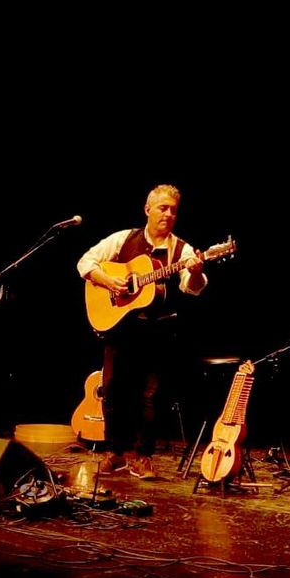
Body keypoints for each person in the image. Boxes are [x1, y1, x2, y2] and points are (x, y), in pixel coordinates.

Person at [77, 184, 207, 480]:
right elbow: (85, 263)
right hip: (120, 328)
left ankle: (142, 455)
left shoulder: (181, 249)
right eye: (163, 208)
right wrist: (110, 282)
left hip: (157, 332)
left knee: (150, 394)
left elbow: (193, 287)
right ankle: (115, 452)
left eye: (174, 210)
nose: (169, 214)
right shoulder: (123, 239)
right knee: (112, 390)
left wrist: (197, 270)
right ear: (148, 209)